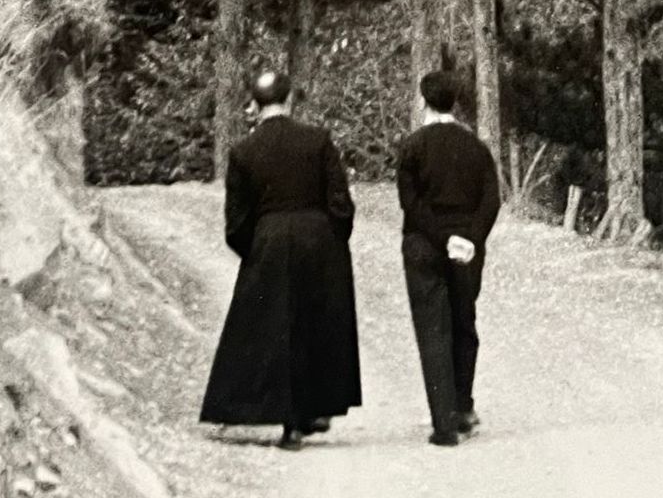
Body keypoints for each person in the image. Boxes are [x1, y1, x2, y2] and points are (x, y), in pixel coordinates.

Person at [199, 69, 362, 450]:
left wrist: (254, 250)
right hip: (317, 238)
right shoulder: (318, 140)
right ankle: (312, 410)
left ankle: (289, 421)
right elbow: (341, 203)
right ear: (289, 101)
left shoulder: (242, 152)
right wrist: (334, 240)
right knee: (315, 326)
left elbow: (235, 222)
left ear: (254, 106)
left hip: (269, 240)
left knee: (276, 330)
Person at [396, 69, 501, 447]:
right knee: (463, 325)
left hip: (425, 245)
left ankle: (444, 423)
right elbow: (491, 200)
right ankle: (463, 407)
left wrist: (443, 239)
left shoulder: (412, 148)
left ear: (423, 101)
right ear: (455, 101)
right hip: (467, 249)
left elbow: (410, 204)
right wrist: (469, 239)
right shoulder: (477, 148)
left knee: (433, 331)